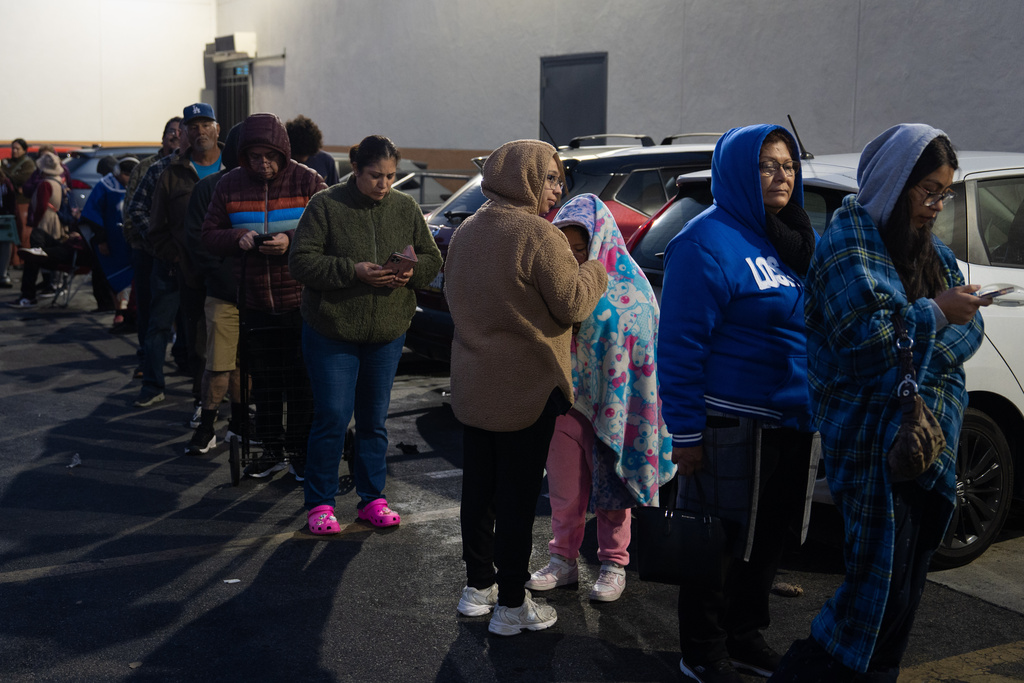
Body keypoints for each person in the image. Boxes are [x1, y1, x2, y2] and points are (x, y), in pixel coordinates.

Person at [770, 125, 988, 682]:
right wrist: (935, 315)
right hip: (870, 449)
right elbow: (868, 348)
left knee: (905, 590)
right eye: (929, 192)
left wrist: (925, 334)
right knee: (873, 593)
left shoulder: (931, 251)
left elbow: (973, 328)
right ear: (896, 185)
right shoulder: (848, 244)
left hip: (926, 443)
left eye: (945, 192)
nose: (938, 206)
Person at [658, 125, 818, 683]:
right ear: (737, 172)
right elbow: (678, 344)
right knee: (717, 546)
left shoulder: (787, 237)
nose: (781, 175)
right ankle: (702, 650)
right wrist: (686, 433)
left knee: (766, 543)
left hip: (790, 418)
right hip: (730, 422)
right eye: (766, 165)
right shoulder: (705, 241)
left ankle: (745, 635)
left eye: (788, 165)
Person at [444, 139, 606, 636]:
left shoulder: (468, 230)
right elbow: (574, 304)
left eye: (559, 179)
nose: (557, 189)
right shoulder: (539, 235)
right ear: (525, 176)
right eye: (551, 177)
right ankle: (512, 605)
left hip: (474, 383)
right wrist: (596, 269)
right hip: (527, 388)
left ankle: (479, 589)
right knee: (516, 497)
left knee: (480, 491)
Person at [526, 193, 675, 603]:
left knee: (614, 488)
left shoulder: (634, 288)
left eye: (580, 248)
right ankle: (562, 560)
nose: (573, 257)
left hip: (618, 405)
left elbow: (641, 340)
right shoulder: (549, 287)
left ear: (601, 243)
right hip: (564, 404)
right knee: (564, 490)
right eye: (565, 248)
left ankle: (613, 563)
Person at [289, 134, 441, 525]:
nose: (384, 185)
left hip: (387, 333)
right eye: (376, 176)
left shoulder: (404, 207)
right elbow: (301, 262)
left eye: (391, 176)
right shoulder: (325, 204)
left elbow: (431, 257)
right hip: (331, 331)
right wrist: (351, 271)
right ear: (355, 169)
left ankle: (373, 498)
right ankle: (320, 503)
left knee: (374, 421)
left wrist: (408, 273)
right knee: (333, 418)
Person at [203, 113, 327, 465]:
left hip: (302, 301)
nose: (263, 164)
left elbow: (331, 230)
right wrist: (236, 237)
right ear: (244, 155)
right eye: (255, 157)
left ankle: (299, 448)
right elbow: (208, 234)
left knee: (302, 380)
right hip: (254, 300)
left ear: (283, 152)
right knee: (266, 380)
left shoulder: (309, 181)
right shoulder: (229, 185)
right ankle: (271, 447)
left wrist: (291, 241)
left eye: (270, 156)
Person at [134, 103, 222, 409]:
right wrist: (173, 255)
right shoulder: (168, 172)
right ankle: (155, 386)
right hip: (176, 269)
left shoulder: (234, 169)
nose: (200, 132)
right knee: (166, 327)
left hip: (222, 270)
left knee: (220, 334)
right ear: (183, 133)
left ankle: (222, 398)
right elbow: (148, 220)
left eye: (205, 124)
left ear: (217, 129)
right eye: (193, 127)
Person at [184, 123, 244, 454]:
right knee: (219, 363)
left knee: (243, 364)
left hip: (259, 295)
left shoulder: (263, 189)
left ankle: (238, 424)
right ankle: (207, 426)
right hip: (222, 292)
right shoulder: (209, 187)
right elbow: (197, 240)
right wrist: (224, 277)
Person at [122, 117, 182, 367]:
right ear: (163, 136)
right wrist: (153, 239)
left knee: (183, 310)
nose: (175, 135)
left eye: (181, 131)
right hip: (147, 250)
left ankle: (183, 356)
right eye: (171, 131)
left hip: (180, 253)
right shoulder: (147, 167)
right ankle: (147, 359)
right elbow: (130, 210)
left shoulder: (189, 166)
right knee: (148, 310)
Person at [7, 152, 84, 309]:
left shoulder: (45, 184)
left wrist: (34, 222)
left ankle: (41, 288)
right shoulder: (59, 182)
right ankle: (51, 283)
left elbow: (41, 206)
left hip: (46, 220)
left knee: (38, 248)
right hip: (56, 219)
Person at [78, 156, 139, 316]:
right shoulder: (105, 186)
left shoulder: (139, 186)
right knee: (109, 275)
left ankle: (129, 311)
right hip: (110, 241)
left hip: (130, 242)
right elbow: (92, 214)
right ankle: (117, 310)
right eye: (125, 174)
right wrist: (101, 239)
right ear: (118, 172)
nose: (128, 178)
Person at [2, 139, 36, 266]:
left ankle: (23, 259)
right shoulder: (7, 162)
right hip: (10, 203)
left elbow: (23, 177)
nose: (14, 151)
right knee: (10, 232)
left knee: (23, 232)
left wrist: (7, 175)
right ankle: (12, 260)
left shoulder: (28, 163)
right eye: (13, 148)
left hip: (23, 203)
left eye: (17, 148)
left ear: (24, 150)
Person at [285, 115, 340, 186]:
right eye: (298, 155)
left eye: (305, 154)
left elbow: (334, 191)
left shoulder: (326, 161)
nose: (303, 159)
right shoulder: (282, 162)